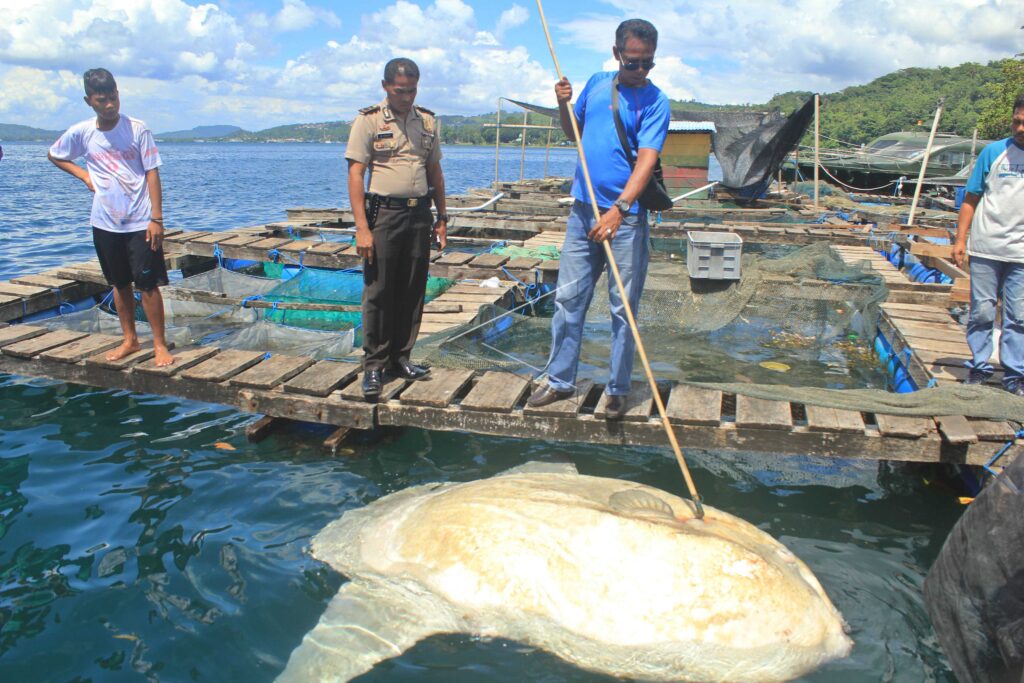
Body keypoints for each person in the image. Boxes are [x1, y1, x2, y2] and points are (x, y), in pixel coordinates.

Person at [527, 18, 670, 418]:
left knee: (622, 309)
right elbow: (574, 133)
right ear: (616, 54)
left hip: (627, 219)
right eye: (633, 62)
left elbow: (647, 159)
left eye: (648, 64)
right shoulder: (597, 83)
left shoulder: (656, 101)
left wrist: (619, 210)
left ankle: (618, 388)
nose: (640, 71)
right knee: (568, 299)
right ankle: (559, 382)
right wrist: (561, 103)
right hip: (581, 212)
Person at [48, 68, 173, 367]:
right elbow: (55, 154)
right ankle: (129, 339)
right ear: (89, 100)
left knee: (148, 285)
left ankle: (159, 344)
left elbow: (152, 172)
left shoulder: (138, 129)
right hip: (105, 221)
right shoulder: (82, 132)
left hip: (141, 220)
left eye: (113, 97)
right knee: (119, 283)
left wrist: (156, 218)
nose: (109, 105)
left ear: (119, 94)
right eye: (101, 100)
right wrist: (83, 175)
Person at [346, 57, 448, 399]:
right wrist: (362, 228)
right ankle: (374, 365)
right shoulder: (368, 121)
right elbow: (356, 174)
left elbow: (435, 172)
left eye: (412, 90)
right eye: (401, 91)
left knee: (411, 289)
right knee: (379, 291)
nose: (407, 97)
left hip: (419, 213)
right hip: (384, 215)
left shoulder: (428, 122)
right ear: (386, 86)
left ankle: (402, 358)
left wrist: (442, 217)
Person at [952, 92, 1024, 396]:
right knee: (981, 312)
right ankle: (979, 367)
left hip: (1021, 253)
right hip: (985, 248)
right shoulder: (993, 153)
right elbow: (971, 198)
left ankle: (1014, 375)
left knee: (1019, 316)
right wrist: (960, 240)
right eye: (1016, 121)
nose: (1020, 128)